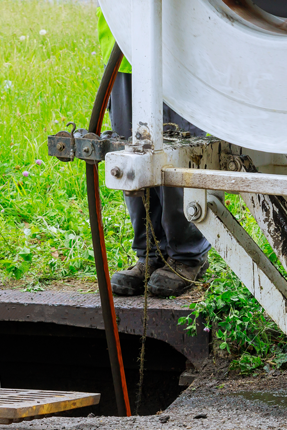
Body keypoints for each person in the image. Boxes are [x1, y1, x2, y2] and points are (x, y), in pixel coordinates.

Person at [97, 10, 211, 297]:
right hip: (125, 42)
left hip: (183, 44)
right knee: (132, 151)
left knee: (178, 149)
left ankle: (187, 256)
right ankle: (149, 254)